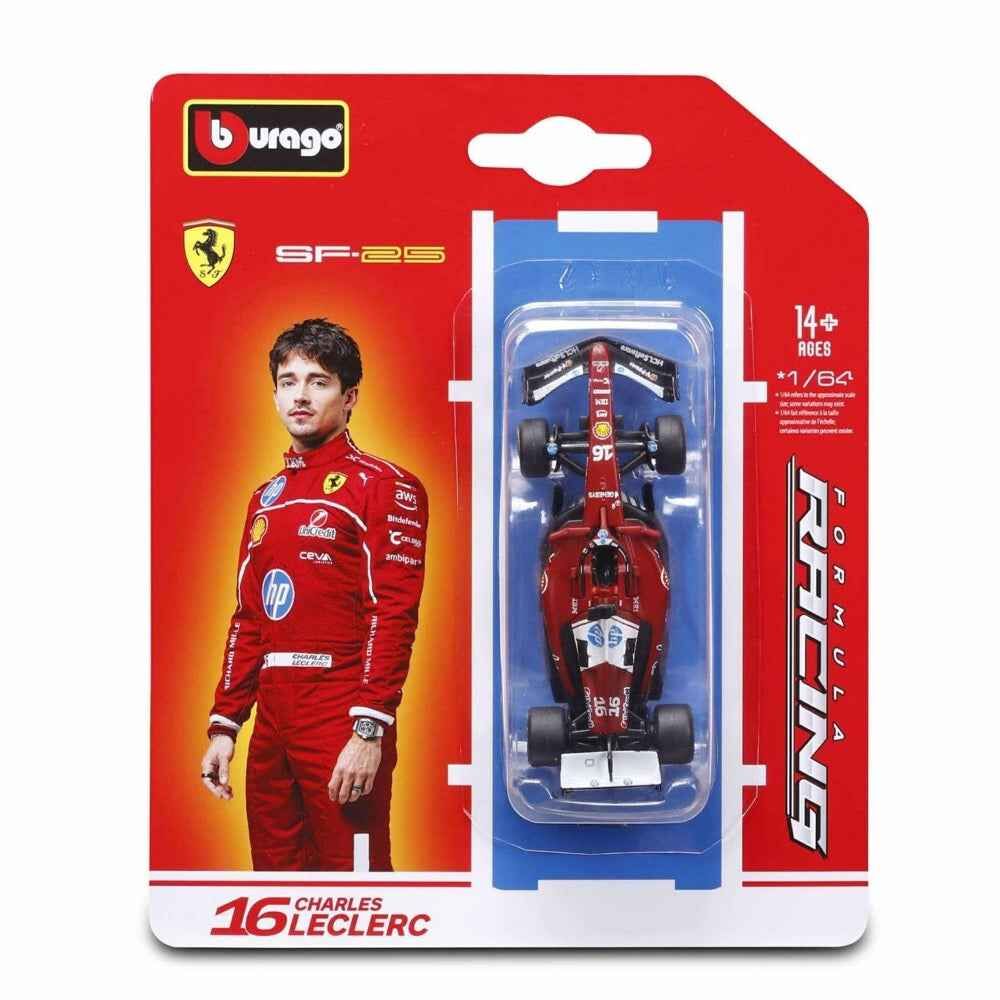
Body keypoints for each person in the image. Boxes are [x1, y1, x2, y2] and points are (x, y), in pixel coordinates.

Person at [200, 318, 428, 871]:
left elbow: (393, 612)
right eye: (288, 381)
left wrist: (369, 730)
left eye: (318, 381)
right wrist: (225, 725)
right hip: (272, 724)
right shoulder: (265, 499)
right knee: (276, 885)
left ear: (350, 397)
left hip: (340, 714)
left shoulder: (384, 485)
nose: (300, 395)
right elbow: (249, 618)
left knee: (356, 887)